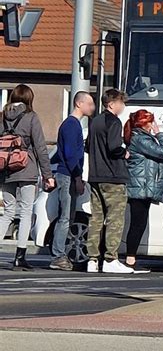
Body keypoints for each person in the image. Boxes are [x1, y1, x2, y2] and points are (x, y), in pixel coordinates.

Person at [0, 85, 54, 270]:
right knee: (25, 212)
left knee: (7, 212)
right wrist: (48, 174)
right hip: (26, 167)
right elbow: (40, 147)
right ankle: (20, 256)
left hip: (5, 170)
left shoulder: (2, 116)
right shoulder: (31, 116)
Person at [86, 89, 133, 274]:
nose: (123, 106)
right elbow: (114, 147)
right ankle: (110, 258)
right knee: (115, 218)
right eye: (121, 103)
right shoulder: (113, 121)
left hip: (95, 174)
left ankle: (92, 259)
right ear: (112, 104)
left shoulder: (95, 121)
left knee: (96, 218)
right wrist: (125, 152)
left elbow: (88, 145)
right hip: (113, 176)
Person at [49, 91, 95, 271]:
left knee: (69, 216)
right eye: (89, 104)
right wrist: (77, 177)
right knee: (65, 217)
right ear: (79, 104)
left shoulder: (73, 125)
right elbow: (70, 154)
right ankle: (58, 255)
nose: (92, 107)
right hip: (67, 176)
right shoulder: (71, 126)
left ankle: (59, 254)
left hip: (69, 175)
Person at [124, 109, 163, 273]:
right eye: (150, 122)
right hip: (140, 186)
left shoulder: (140, 138)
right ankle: (130, 259)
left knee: (139, 223)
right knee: (138, 223)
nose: (153, 125)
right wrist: (160, 135)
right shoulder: (140, 138)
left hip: (143, 185)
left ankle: (131, 257)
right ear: (143, 123)